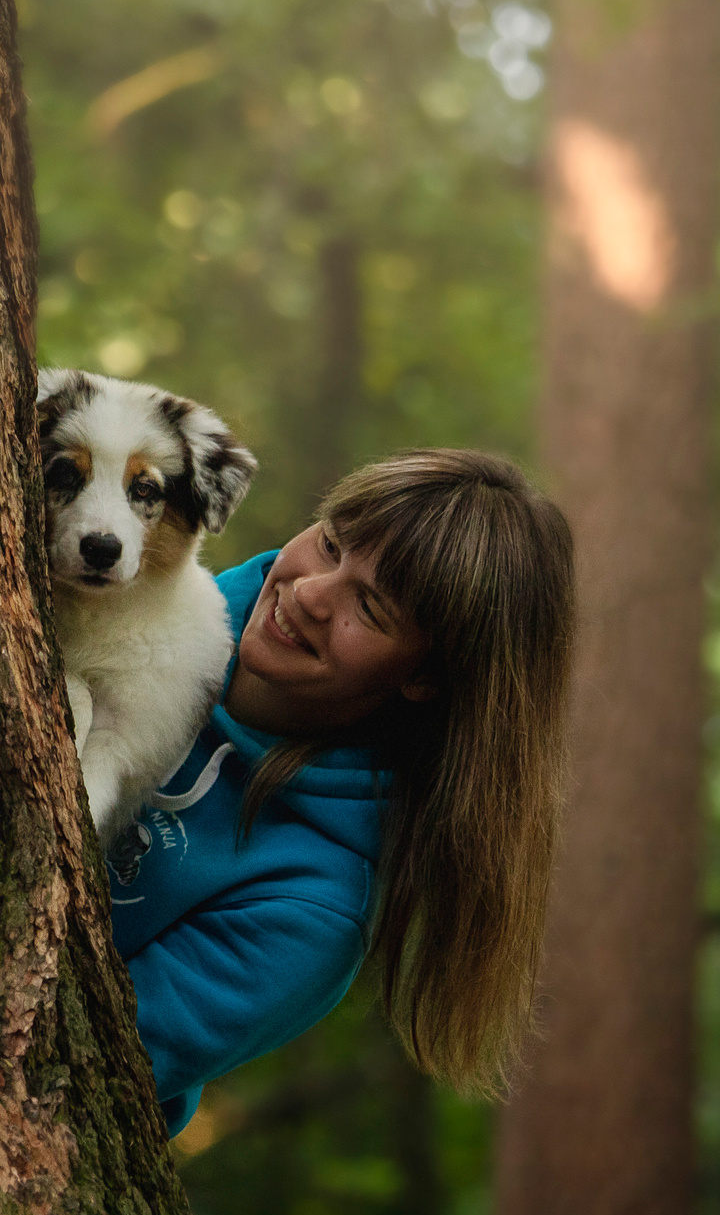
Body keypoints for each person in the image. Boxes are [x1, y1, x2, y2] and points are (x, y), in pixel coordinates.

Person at [104, 448, 577, 1135]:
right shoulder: (120, 583)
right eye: (330, 543)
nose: (310, 592)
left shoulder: (310, 904)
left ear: (424, 677)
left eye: (371, 606)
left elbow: (69, 1057)